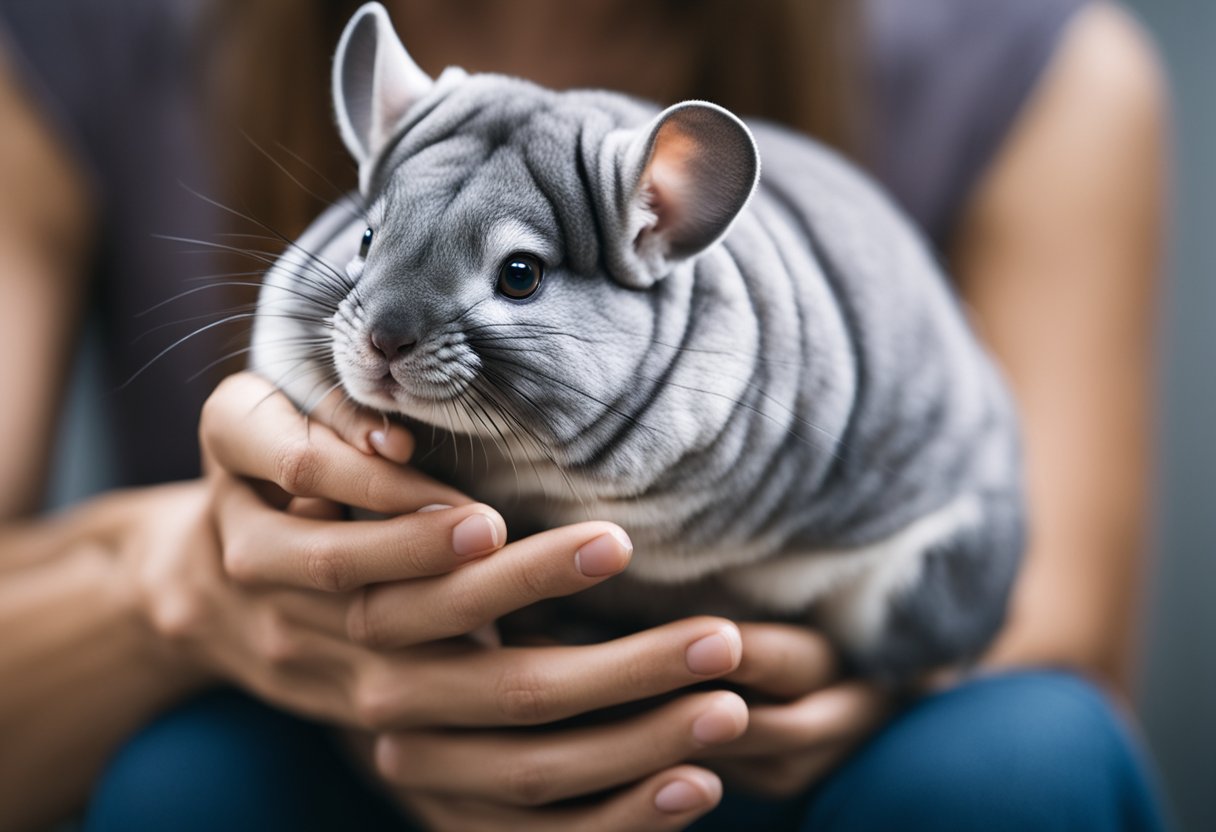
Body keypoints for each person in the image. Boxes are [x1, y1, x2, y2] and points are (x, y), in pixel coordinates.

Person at [0, 0, 1169, 829]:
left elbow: (1046, 625)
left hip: (789, 761)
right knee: (193, 780)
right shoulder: (82, 36)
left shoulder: (1035, 64)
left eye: (513, 274)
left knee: (1014, 766)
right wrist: (182, 586)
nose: (386, 335)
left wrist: (840, 689)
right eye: (372, 247)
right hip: (343, 749)